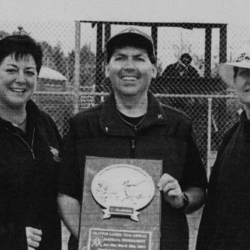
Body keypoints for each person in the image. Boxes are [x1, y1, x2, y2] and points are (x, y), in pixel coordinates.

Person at [57, 28, 207, 250]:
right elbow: (66, 193)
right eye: (119, 58)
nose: (129, 66)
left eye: (139, 58)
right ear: (107, 69)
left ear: (154, 69)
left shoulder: (179, 125)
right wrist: (92, 240)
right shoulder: (82, 126)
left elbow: (198, 189)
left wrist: (181, 199)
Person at [0, 35, 62, 250]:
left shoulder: (45, 123)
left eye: (29, 72)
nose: (21, 79)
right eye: (11, 70)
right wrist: (11, 238)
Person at [196, 45, 250, 249]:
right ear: (235, 81)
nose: (249, 80)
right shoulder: (232, 136)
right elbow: (213, 208)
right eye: (244, 73)